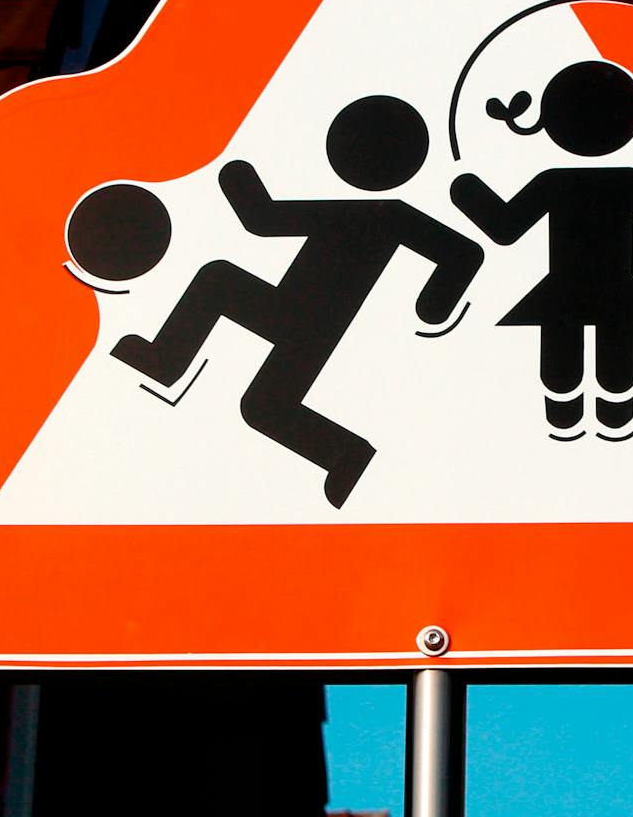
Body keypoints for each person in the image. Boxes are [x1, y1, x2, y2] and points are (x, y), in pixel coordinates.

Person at [68, 95, 482, 508]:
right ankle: (166, 360)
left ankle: (347, 454)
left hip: (307, 320)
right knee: (233, 322)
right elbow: (262, 219)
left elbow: (261, 218)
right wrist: (434, 303)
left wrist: (236, 176)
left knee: (258, 394)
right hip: (297, 312)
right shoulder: (385, 215)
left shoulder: (381, 215)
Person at [451, 48, 633, 440]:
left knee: (576, 355)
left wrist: (466, 191)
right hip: (611, 289)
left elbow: (504, 227)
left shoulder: (558, 180)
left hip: (571, 289)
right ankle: (598, 412)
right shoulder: (625, 180)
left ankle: (580, 412)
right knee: (597, 356)